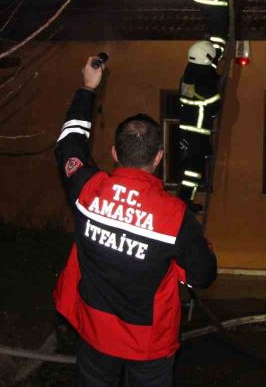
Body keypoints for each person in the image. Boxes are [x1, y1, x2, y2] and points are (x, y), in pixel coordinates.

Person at [53, 56, 217, 387]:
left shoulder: (87, 189)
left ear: (114, 153)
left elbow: (69, 144)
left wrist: (88, 88)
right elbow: (203, 275)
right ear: (158, 157)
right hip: (149, 345)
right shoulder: (175, 217)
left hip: (94, 330)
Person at [177, 41, 221, 212]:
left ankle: (185, 200)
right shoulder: (205, 82)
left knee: (189, 168)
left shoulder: (187, 74)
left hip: (186, 129)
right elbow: (215, 107)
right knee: (194, 171)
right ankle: (185, 202)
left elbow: (207, 71)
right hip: (198, 131)